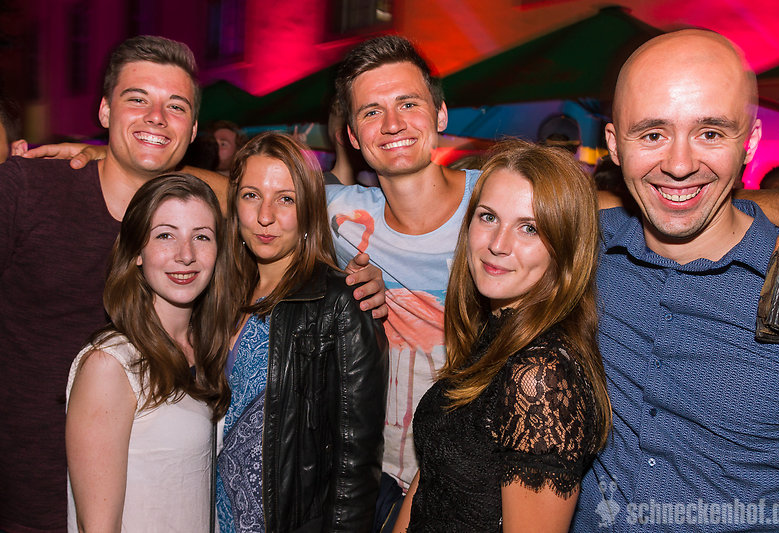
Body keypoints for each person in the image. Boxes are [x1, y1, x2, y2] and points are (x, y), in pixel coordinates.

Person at [571, 29, 779, 532]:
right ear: (614, 145)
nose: (679, 166)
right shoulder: (582, 249)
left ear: (750, 143)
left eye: (710, 133)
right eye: (652, 134)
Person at [0, 35, 208, 533]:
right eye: (137, 99)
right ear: (104, 111)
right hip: (30, 503)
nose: (156, 117)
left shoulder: (195, 232)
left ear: (193, 130)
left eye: (175, 106)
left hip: (156, 508)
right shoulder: (27, 188)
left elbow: (261, 188)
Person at [393, 139, 611, 532]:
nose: (497, 245)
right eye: (488, 217)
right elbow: (434, 473)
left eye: (529, 228)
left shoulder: (541, 376)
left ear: (564, 248)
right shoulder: (492, 330)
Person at [327, 37, 482, 524]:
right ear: (353, 136)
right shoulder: (344, 218)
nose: (392, 124)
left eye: (408, 104)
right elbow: (241, 193)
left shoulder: (498, 203)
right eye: (372, 112)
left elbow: (591, 213)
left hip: (476, 480)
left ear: (440, 114)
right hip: (379, 478)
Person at [217, 131, 388, 532]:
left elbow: (355, 463)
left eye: (286, 199)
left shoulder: (341, 303)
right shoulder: (217, 293)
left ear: (309, 209)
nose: (265, 216)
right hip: (213, 512)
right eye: (251, 195)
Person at [65, 173, 232, 532]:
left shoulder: (205, 352)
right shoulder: (110, 365)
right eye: (165, 235)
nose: (186, 255)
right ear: (137, 252)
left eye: (201, 236)